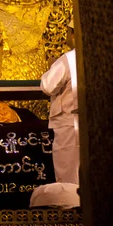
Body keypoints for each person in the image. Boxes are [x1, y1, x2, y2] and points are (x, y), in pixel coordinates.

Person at [40, 17, 79, 184]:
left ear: (72, 34)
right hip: (91, 124)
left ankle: (73, 209)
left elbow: (48, 86)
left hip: (68, 124)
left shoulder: (68, 59)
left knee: (68, 172)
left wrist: (51, 66)